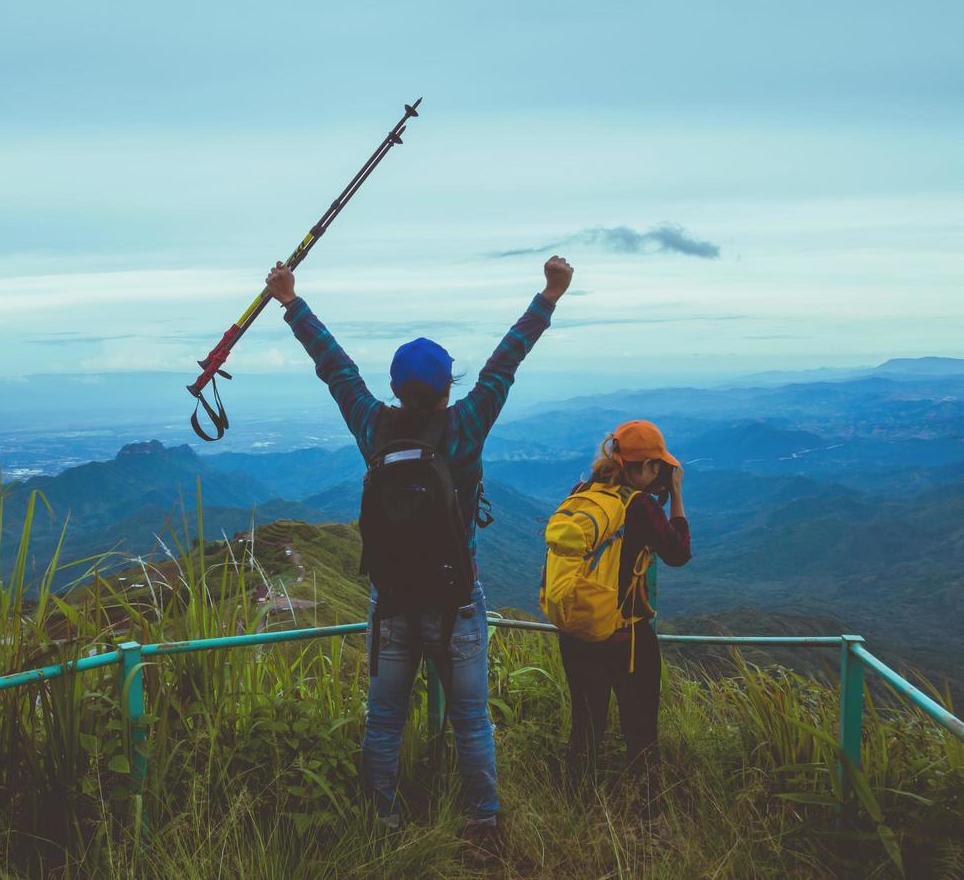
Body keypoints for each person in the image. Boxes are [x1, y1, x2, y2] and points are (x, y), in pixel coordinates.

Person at [266, 254, 573, 862]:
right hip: (457, 600)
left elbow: (336, 369)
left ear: (396, 386)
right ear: (445, 389)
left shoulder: (373, 427)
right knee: (472, 722)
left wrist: (290, 300)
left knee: (384, 721)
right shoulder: (465, 427)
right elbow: (505, 363)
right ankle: (482, 826)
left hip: (393, 602)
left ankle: (381, 823)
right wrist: (550, 294)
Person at [541, 420, 691, 804]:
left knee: (585, 727)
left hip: (577, 633)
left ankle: (577, 806)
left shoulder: (583, 492)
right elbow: (677, 553)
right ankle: (645, 813)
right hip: (627, 639)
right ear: (648, 468)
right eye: (658, 467)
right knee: (640, 731)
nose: (660, 473)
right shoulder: (638, 505)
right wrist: (675, 495)